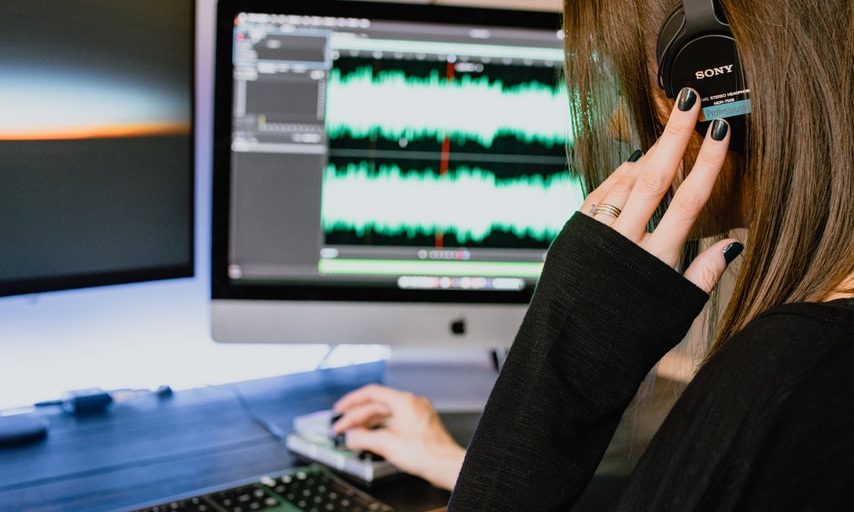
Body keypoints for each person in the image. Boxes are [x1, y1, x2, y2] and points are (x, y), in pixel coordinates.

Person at [335, 0, 854, 509]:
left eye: (637, 81)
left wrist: (567, 354)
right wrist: (472, 466)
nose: (613, 125)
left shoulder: (789, 372)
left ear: (721, 79)